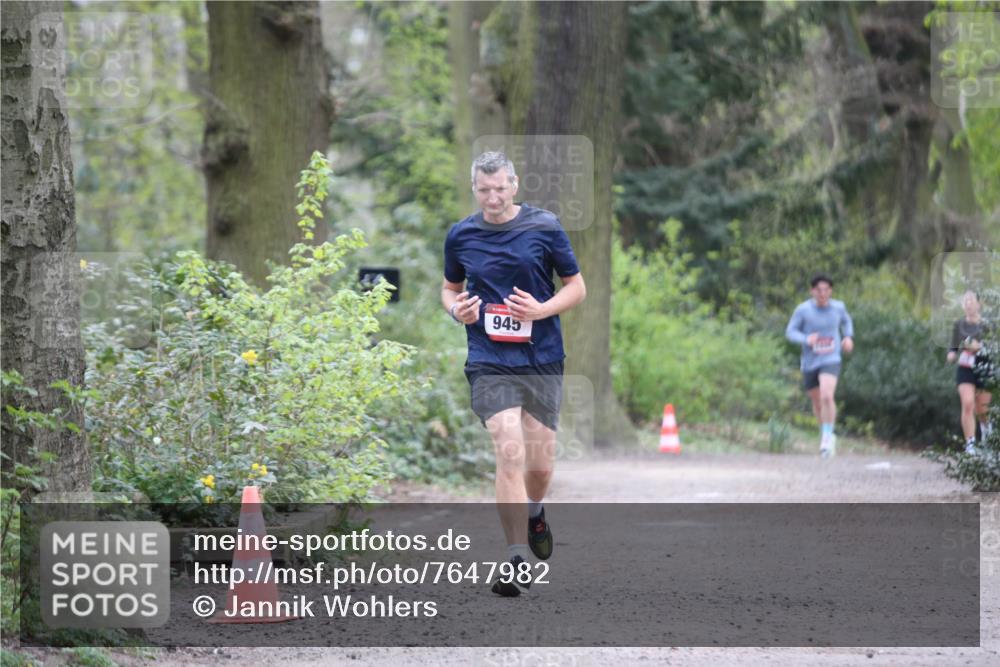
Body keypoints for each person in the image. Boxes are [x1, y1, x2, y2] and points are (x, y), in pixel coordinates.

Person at [441, 151, 586, 597]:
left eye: (500, 188)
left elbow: (577, 287)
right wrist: (457, 311)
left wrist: (541, 310)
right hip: (488, 358)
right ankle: (515, 558)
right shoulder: (461, 235)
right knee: (508, 448)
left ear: (515, 184)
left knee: (539, 466)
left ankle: (536, 510)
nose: (493, 197)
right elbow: (450, 289)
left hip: (541, 357)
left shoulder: (544, 226)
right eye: (484, 190)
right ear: (474, 188)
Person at [785, 273, 854, 458]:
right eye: (819, 290)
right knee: (817, 402)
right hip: (810, 361)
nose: (823, 294)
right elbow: (790, 331)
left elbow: (847, 322)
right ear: (812, 291)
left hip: (831, 358)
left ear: (830, 291)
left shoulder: (838, 307)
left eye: (826, 290)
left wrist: (847, 337)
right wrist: (806, 339)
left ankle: (827, 437)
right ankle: (824, 430)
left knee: (827, 395)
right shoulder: (803, 310)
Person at [947, 290, 992, 454]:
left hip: (985, 370)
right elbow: (953, 348)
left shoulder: (988, 325)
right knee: (967, 404)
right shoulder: (959, 325)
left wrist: (979, 347)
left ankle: (987, 438)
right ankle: (971, 444)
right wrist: (951, 355)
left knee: (983, 410)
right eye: (965, 301)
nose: (968, 304)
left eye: (971, 301)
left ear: (979, 304)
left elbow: (994, 348)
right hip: (965, 369)